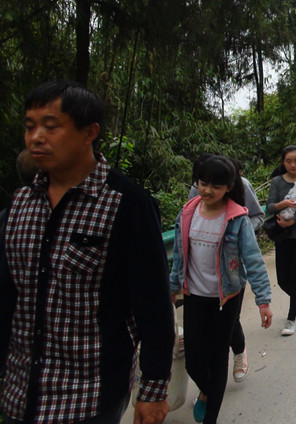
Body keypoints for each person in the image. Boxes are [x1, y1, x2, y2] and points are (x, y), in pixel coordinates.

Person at [1, 80, 174, 424]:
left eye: (51, 126)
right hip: (20, 392)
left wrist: (154, 389)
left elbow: (153, 303)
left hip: (89, 396)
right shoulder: (18, 205)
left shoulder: (127, 204)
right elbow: (7, 294)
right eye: (30, 127)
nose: (36, 138)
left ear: (89, 133)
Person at [170, 155, 272, 424]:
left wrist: (263, 300)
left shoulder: (237, 219)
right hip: (194, 297)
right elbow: (179, 254)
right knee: (193, 361)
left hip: (225, 299)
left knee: (217, 360)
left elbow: (253, 260)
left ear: (229, 187)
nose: (207, 190)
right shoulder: (188, 212)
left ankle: (211, 416)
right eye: (203, 183)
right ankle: (207, 391)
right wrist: (173, 286)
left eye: (215, 186)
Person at [266, 146, 296, 337]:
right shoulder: (277, 181)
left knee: (295, 276)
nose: (293, 164)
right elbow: (270, 205)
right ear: (283, 162)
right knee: (282, 279)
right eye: (288, 161)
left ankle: (291, 317)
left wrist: (292, 221)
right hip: (282, 235)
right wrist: (283, 204)